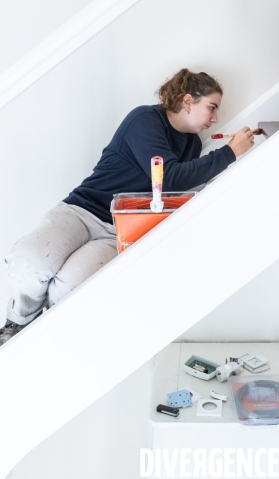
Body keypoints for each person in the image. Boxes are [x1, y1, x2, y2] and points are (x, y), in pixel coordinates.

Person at [0, 68, 255, 346]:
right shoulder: (145, 119)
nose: (215, 119)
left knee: (71, 289)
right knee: (29, 261)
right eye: (212, 108)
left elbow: (172, 187)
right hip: (81, 210)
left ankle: (38, 333)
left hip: (117, 229)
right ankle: (18, 322)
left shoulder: (191, 144)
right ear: (187, 101)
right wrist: (230, 152)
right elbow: (167, 177)